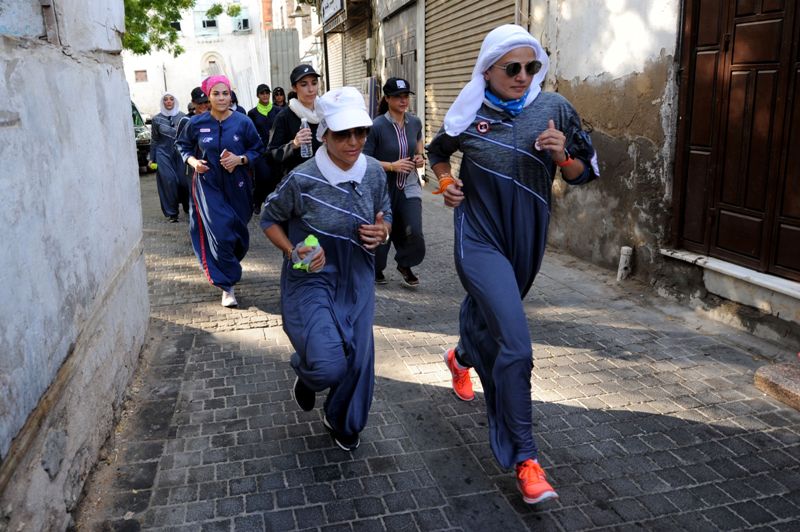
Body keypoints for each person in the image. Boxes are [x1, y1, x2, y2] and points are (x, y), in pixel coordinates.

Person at [426, 24, 599, 505]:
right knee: (516, 345)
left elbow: (587, 172)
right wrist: (445, 184)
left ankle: (460, 356)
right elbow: (437, 153)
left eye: (532, 67)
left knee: (493, 322)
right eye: (513, 68)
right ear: (488, 69)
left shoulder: (553, 108)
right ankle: (526, 460)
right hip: (478, 239)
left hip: (527, 240)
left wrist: (563, 157)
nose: (524, 77)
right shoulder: (469, 111)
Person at [260, 86, 391, 452]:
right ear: (324, 134)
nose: (354, 142)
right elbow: (269, 218)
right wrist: (292, 251)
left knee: (360, 358)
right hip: (312, 278)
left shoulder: (375, 173)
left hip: (358, 278)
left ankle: (343, 420)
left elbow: (386, 212)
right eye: (343, 134)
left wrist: (384, 231)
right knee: (329, 365)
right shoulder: (302, 178)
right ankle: (309, 375)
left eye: (360, 132)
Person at [175, 75, 264, 308]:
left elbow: (257, 149)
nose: (222, 98)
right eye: (216, 93)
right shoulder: (195, 123)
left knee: (237, 234)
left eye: (225, 93)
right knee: (221, 233)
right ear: (208, 96)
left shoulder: (244, 122)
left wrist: (241, 159)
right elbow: (182, 146)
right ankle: (227, 286)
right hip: (208, 185)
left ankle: (229, 264)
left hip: (239, 186)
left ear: (230, 95)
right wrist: (193, 162)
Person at [363, 77, 425, 287]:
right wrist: (391, 165)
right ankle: (376, 267)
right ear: (387, 99)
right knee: (382, 233)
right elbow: (364, 159)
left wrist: (419, 159)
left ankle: (405, 264)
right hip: (383, 187)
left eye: (406, 96)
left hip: (408, 185)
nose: (403, 100)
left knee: (413, 230)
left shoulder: (415, 122)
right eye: (398, 96)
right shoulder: (376, 126)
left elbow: (418, 148)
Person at [267, 65, 323, 177]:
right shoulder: (284, 117)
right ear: (294, 87)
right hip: (298, 181)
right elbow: (271, 154)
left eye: (314, 83)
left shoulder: (325, 111)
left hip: (326, 178)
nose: (311, 89)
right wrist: (294, 144)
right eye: (304, 84)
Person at [149, 91, 187, 222]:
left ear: (175, 101)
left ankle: (188, 205)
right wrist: (151, 158)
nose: (169, 101)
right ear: (163, 102)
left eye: (171, 99)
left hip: (180, 153)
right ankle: (172, 213)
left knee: (183, 181)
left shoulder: (184, 117)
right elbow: (154, 139)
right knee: (169, 181)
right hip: (163, 153)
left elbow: (189, 137)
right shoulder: (156, 119)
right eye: (166, 99)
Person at [247, 84, 281, 213]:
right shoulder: (252, 113)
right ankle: (257, 200)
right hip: (260, 151)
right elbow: (250, 133)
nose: (265, 95)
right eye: (262, 93)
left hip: (276, 150)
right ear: (258, 95)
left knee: (275, 177)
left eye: (267, 92)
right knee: (263, 177)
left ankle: (273, 203)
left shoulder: (278, 111)